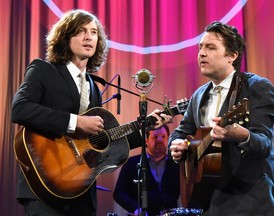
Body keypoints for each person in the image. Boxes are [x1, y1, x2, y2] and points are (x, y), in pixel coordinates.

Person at [11, 9, 171, 216]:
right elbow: (20, 108)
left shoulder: (93, 86)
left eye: (94, 32)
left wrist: (146, 128)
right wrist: (76, 122)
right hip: (45, 190)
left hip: (82, 193)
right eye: (80, 31)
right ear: (64, 38)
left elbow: (102, 144)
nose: (89, 37)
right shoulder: (43, 69)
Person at [168, 21, 274, 216]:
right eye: (200, 47)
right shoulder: (199, 95)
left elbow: (263, 144)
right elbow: (182, 131)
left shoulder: (257, 87)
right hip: (208, 200)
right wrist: (176, 143)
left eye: (210, 47)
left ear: (232, 56)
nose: (201, 53)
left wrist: (242, 135)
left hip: (250, 202)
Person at [113, 125, 180, 216]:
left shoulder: (176, 164)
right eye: (155, 137)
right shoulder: (132, 163)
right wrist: (136, 209)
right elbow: (119, 193)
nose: (160, 140)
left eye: (163, 137)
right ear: (146, 140)